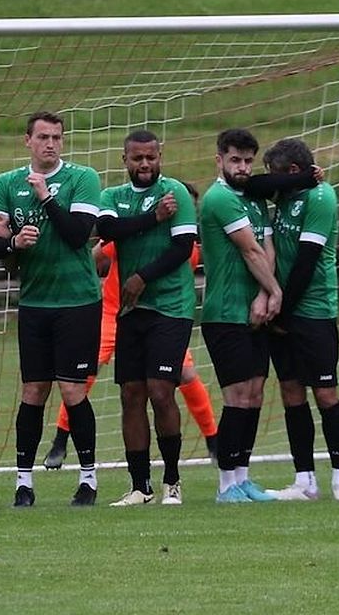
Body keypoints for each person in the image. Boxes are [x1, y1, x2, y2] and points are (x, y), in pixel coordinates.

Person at [41, 185, 219, 471]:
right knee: (85, 373)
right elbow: (96, 255)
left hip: (164, 317)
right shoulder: (133, 235)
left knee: (185, 374)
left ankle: (213, 440)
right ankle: (61, 440)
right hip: (114, 313)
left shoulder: (189, 248)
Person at [0, 111, 102, 507]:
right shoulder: (5, 184)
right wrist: (15, 243)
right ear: (27, 141)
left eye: (57, 137)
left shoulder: (82, 178)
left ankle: (88, 479)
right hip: (34, 303)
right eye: (43, 137)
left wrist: (47, 198)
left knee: (72, 390)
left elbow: (77, 235)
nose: (51, 144)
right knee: (33, 391)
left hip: (78, 301)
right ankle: (23, 482)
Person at [93, 130, 198, 506]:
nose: (145, 164)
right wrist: (153, 217)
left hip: (171, 306)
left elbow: (182, 248)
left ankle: (172, 480)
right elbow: (106, 230)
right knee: (130, 394)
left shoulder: (177, 194)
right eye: (137, 158)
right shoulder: (112, 197)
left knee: (160, 390)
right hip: (130, 310)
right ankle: (141, 486)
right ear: (125, 160)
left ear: (160, 157)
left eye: (151, 158)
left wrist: (141, 277)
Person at [253, 138, 339, 502]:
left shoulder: (320, 197)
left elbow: (307, 261)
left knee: (326, 394)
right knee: (291, 393)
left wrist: (281, 307)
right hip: (283, 310)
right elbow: (252, 186)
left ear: (292, 172)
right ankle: (305, 480)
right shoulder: (284, 194)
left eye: (275, 173)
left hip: (312, 310)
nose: (271, 180)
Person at [200, 128, 283, 503]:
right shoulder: (219, 198)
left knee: (254, 394)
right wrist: (276, 291)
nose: (242, 167)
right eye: (235, 159)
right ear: (219, 160)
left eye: (248, 160)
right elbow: (250, 252)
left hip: (255, 311)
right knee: (236, 396)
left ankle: (244, 477)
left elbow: (267, 247)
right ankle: (225, 484)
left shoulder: (253, 200)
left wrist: (264, 297)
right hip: (224, 313)